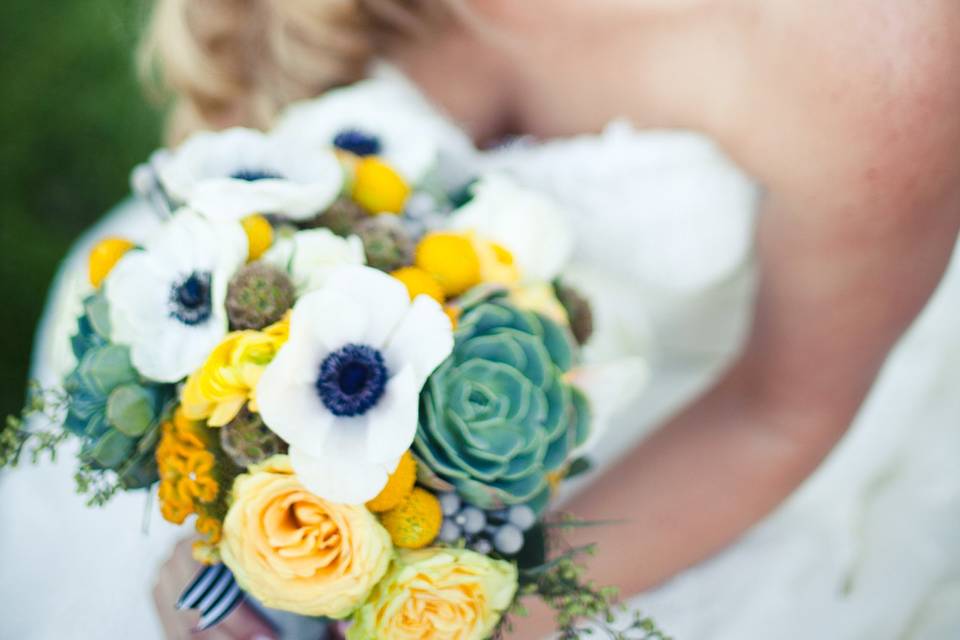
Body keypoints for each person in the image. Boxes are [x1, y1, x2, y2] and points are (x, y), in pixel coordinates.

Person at [4, 0, 958, 638]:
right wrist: (249, 544)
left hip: (683, 458)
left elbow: (780, 409)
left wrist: (468, 616)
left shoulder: (878, 47)